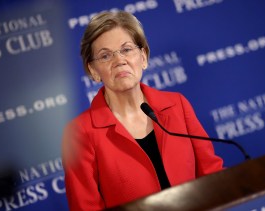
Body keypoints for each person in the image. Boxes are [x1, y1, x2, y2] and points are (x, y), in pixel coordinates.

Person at [62, 11, 224, 211]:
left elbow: (213, 176)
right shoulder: (80, 133)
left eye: (127, 49)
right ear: (94, 71)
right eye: (105, 55)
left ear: (143, 57)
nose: (119, 60)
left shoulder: (177, 105)